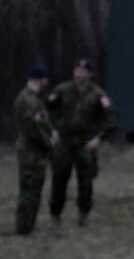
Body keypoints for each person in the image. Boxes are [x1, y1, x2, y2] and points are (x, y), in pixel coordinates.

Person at [47, 58, 116, 228]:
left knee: (86, 181)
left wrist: (98, 138)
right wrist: (52, 130)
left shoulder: (98, 94)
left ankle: (83, 215)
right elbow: (46, 109)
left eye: (84, 71)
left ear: (90, 74)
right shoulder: (62, 90)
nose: (79, 73)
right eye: (77, 70)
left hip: (85, 143)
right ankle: (55, 214)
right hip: (64, 141)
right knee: (59, 179)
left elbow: (111, 119)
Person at [15, 64, 58, 235]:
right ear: (42, 80)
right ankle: (24, 228)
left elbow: (41, 122)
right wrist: (49, 142)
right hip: (31, 153)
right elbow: (32, 129)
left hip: (35, 153)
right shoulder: (28, 100)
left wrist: (51, 132)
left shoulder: (33, 99)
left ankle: (27, 226)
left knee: (33, 190)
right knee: (29, 191)